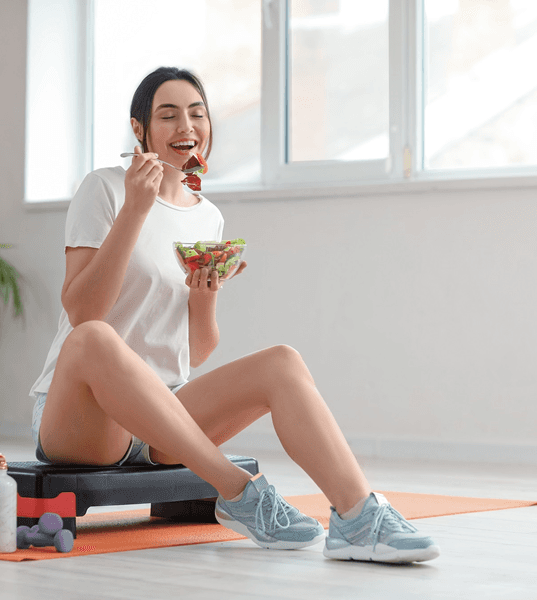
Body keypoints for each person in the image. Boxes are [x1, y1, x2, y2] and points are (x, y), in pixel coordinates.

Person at [29, 66, 439, 564]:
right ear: (140, 130)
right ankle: (240, 492)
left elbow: (196, 351)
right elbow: (82, 311)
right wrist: (136, 209)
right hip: (87, 418)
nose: (187, 126)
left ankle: (358, 516)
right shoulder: (105, 189)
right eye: (169, 114)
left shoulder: (207, 214)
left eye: (197, 114)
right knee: (94, 336)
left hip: (165, 411)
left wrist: (205, 295)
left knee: (282, 362)